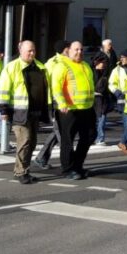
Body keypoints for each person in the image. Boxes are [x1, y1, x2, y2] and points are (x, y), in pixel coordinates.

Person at [0, 41, 49, 184]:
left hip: (35, 112)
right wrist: (3, 109)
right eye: (29, 51)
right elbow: (4, 89)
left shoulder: (40, 66)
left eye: (33, 51)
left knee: (32, 143)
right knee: (24, 141)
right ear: (21, 51)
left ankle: (24, 169)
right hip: (19, 112)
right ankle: (21, 172)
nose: (32, 53)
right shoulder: (12, 67)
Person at [51, 40, 96, 179]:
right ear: (68, 50)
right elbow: (56, 87)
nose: (79, 52)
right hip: (69, 110)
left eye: (81, 49)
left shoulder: (86, 65)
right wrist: (62, 103)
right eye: (76, 49)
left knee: (89, 136)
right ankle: (67, 169)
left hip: (86, 109)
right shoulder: (62, 65)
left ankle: (77, 166)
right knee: (68, 140)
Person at [34, 40, 70, 168]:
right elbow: (50, 85)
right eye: (69, 49)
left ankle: (41, 158)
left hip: (65, 102)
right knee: (62, 133)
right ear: (65, 50)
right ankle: (70, 162)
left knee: (58, 131)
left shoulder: (66, 61)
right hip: (56, 102)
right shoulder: (53, 63)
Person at [92, 51, 111, 145]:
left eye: (104, 63)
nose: (103, 64)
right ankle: (96, 138)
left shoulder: (106, 73)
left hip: (103, 100)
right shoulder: (92, 72)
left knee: (102, 119)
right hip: (94, 100)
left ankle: (100, 138)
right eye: (101, 62)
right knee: (95, 120)